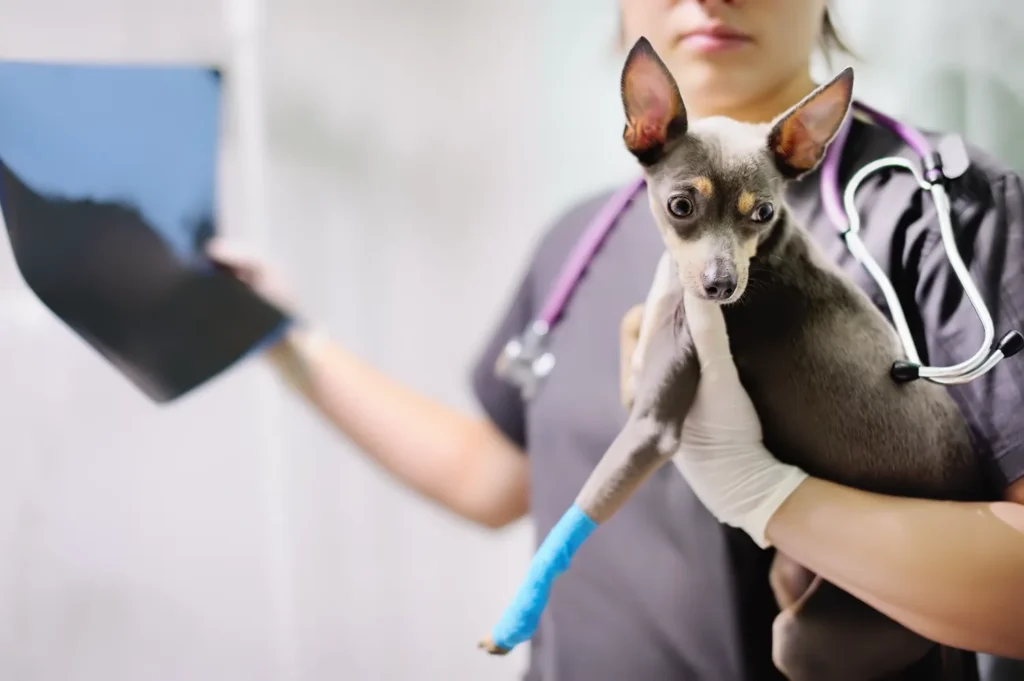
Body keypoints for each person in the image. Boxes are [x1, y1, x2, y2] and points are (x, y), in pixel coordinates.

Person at [208, 1, 1024, 679]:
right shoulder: (580, 240)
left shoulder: (946, 212)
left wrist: (764, 496)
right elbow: (493, 476)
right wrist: (281, 338)